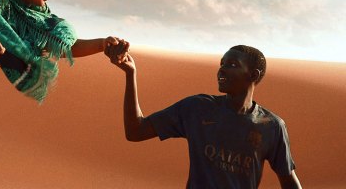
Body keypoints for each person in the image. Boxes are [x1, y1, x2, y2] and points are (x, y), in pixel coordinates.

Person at [106, 43, 302, 188]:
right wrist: (130, 74)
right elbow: (135, 131)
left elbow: (289, 180)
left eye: (232, 64)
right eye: (222, 63)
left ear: (253, 75)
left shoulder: (272, 126)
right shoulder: (197, 108)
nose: (222, 69)